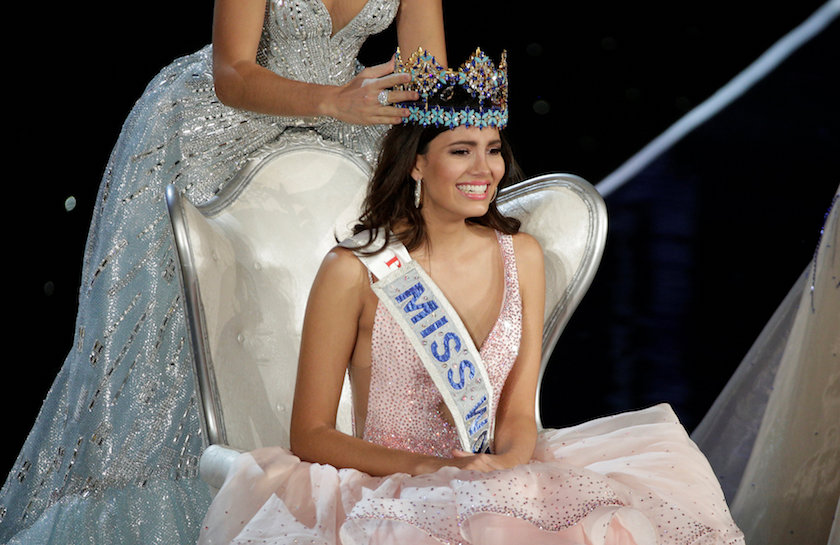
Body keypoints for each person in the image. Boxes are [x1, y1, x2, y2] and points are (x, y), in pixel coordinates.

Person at [198, 48, 745, 544]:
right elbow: (311, 434)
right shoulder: (353, 271)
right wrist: (429, 470)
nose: (485, 170)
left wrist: (506, 470)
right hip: (393, 489)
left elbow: (516, 411)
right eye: (461, 151)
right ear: (416, 162)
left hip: (499, 476)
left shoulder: (522, 255)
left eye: (493, 150)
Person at [0, 1, 445, 543]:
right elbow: (233, 73)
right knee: (176, 346)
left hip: (349, 126)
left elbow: (428, 74)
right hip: (222, 127)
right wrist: (334, 101)